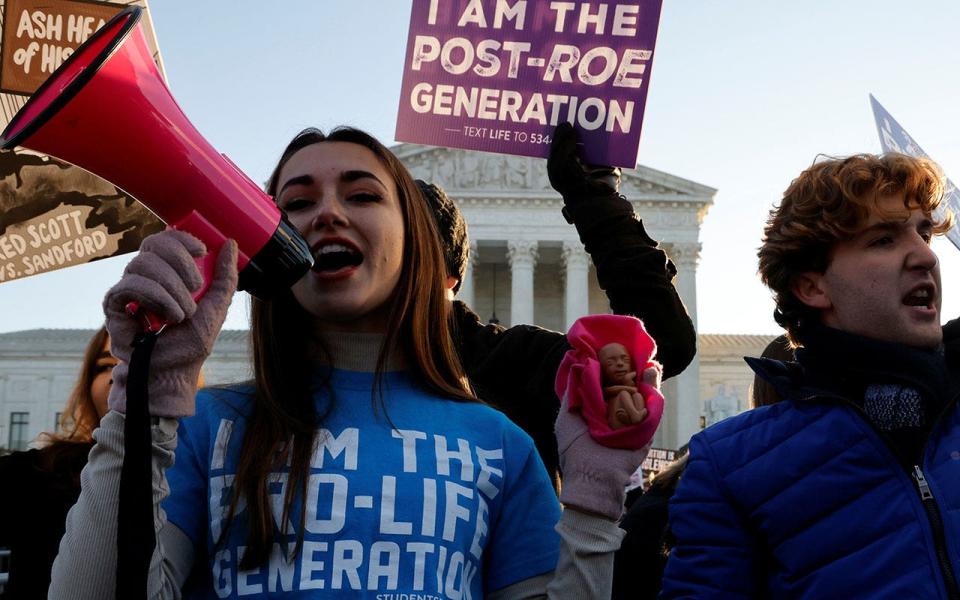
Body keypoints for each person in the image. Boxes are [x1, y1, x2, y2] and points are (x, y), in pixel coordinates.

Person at [49, 127, 650, 599]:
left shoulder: (499, 443)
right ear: (266, 246)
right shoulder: (207, 425)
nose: (328, 213)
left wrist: (593, 504)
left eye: (362, 194)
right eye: (297, 201)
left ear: (415, 243)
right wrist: (145, 404)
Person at [660, 153, 960, 597]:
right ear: (812, 287)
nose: (924, 256)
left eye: (922, 233)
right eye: (882, 240)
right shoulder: (729, 466)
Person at [419, 122, 697, 489]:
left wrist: (595, 197)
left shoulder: (510, 365)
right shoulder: (316, 366)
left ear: (445, 272)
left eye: (364, 199)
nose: (332, 217)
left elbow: (659, 340)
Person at [0, 326, 115, 599]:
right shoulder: (41, 473)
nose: (119, 375)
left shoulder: (208, 478)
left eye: (139, 360)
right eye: (106, 365)